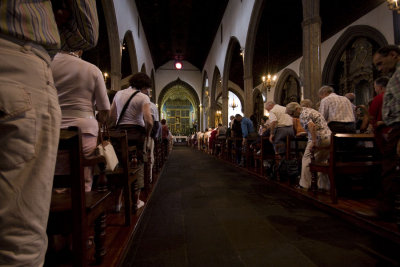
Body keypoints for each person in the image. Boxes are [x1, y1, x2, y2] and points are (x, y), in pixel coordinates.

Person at [0, 2, 99, 265]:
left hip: (52, 124)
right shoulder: (90, 70)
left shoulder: (57, 67)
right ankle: (74, 231)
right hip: (17, 66)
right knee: (18, 239)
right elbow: (87, 30)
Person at [51, 50, 110, 192]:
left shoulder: (46, 64)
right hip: (84, 128)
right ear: (80, 49)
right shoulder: (92, 69)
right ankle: (82, 203)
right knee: (83, 177)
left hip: (51, 126)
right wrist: (101, 122)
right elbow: (105, 109)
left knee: (53, 175)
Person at [110, 73, 153, 213]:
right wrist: (147, 134)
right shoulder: (143, 97)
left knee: (120, 166)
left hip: (120, 134)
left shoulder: (119, 94)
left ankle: (117, 203)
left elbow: (112, 116)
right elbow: (149, 120)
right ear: (144, 86)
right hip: (136, 134)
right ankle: (136, 201)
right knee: (138, 164)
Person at [369, 45, 400, 221]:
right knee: (389, 168)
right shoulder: (395, 75)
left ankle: (386, 211)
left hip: (398, 128)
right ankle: (386, 209)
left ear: (393, 55)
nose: (379, 69)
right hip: (393, 127)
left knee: (390, 169)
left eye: (380, 63)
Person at [286, 102, 331, 191]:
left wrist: (314, 141)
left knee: (306, 160)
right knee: (322, 161)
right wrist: (306, 132)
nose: (292, 117)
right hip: (328, 138)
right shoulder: (309, 110)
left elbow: (312, 126)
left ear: (296, 109)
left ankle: (305, 185)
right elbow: (317, 124)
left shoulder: (303, 114)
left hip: (319, 139)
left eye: (291, 114)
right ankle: (324, 186)